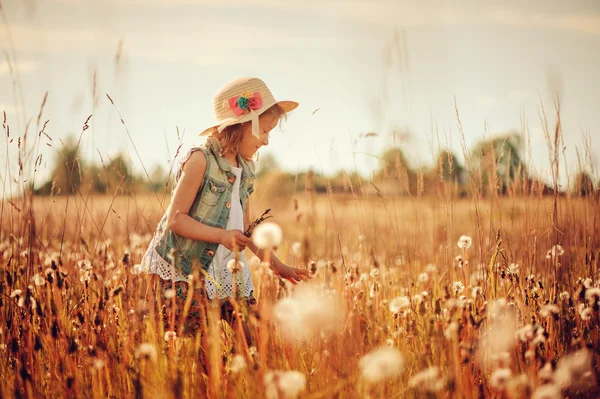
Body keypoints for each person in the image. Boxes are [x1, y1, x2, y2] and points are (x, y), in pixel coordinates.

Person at [140, 77, 310, 337]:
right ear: (241, 125)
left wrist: (276, 265)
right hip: (187, 272)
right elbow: (176, 219)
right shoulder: (200, 160)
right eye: (264, 131)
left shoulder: (246, 169)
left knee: (255, 341)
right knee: (206, 354)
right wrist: (221, 236)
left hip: (229, 273)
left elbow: (246, 231)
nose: (266, 141)